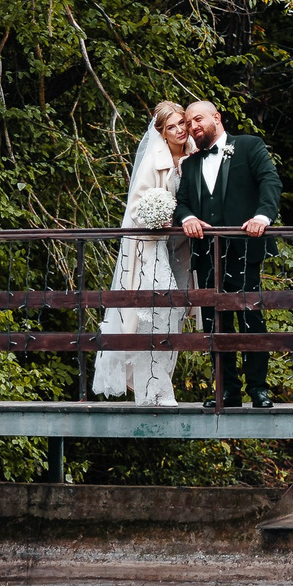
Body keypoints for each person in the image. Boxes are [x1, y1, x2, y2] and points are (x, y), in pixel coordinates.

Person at [174, 101, 280, 409]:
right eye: (188, 122)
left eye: (197, 119)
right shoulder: (190, 165)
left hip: (244, 248)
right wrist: (186, 218)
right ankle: (226, 390)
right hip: (207, 253)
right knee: (214, 322)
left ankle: (258, 389)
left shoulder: (248, 146)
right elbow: (182, 203)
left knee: (251, 317)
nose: (192, 126)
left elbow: (270, 181)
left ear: (216, 118)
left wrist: (263, 216)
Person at [93, 102, 193, 407]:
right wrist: (157, 217)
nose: (179, 131)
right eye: (171, 127)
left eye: (181, 124)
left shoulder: (194, 156)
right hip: (151, 246)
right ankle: (154, 388)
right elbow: (136, 208)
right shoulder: (154, 159)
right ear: (161, 133)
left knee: (177, 312)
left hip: (182, 248)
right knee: (157, 312)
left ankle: (158, 384)